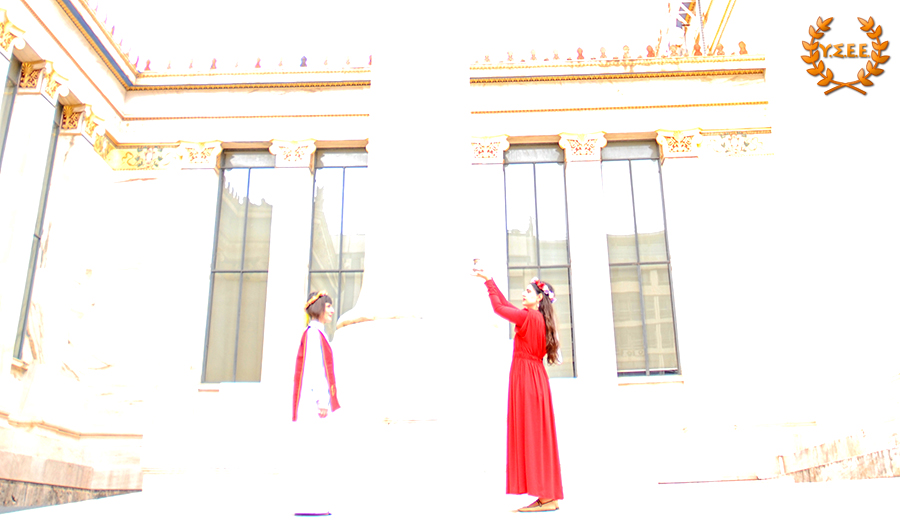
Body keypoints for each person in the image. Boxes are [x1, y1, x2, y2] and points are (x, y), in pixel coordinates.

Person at [473, 268, 564, 512]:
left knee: (533, 435)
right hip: (535, 378)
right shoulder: (537, 318)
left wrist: (489, 283)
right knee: (538, 435)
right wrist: (489, 281)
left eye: (528, 292)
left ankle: (547, 496)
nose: (524, 294)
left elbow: (499, 308)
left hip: (527, 379)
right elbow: (505, 306)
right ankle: (547, 495)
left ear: (539, 298)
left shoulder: (530, 317)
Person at [291, 291, 341, 516]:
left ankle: (316, 503)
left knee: (317, 451)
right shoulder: (313, 334)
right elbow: (315, 369)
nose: (332, 311)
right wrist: (322, 400)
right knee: (314, 452)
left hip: (315, 402)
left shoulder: (317, 333)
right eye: (328, 306)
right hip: (314, 404)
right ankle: (311, 504)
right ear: (320, 307)